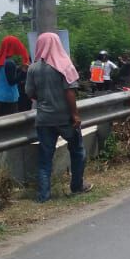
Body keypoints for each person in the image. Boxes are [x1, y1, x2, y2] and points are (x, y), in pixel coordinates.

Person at [26, 32, 92, 202]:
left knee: (45, 157)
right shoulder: (64, 65)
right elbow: (70, 92)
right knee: (77, 151)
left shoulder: (33, 68)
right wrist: (75, 114)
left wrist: (43, 98)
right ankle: (77, 186)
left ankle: (43, 196)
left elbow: (29, 92)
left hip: (44, 120)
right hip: (65, 119)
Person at [0, 36, 30, 117]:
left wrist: (17, 69)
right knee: (10, 126)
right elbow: (12, 82)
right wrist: (23, 71)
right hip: (9, 98)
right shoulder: (10, 62)